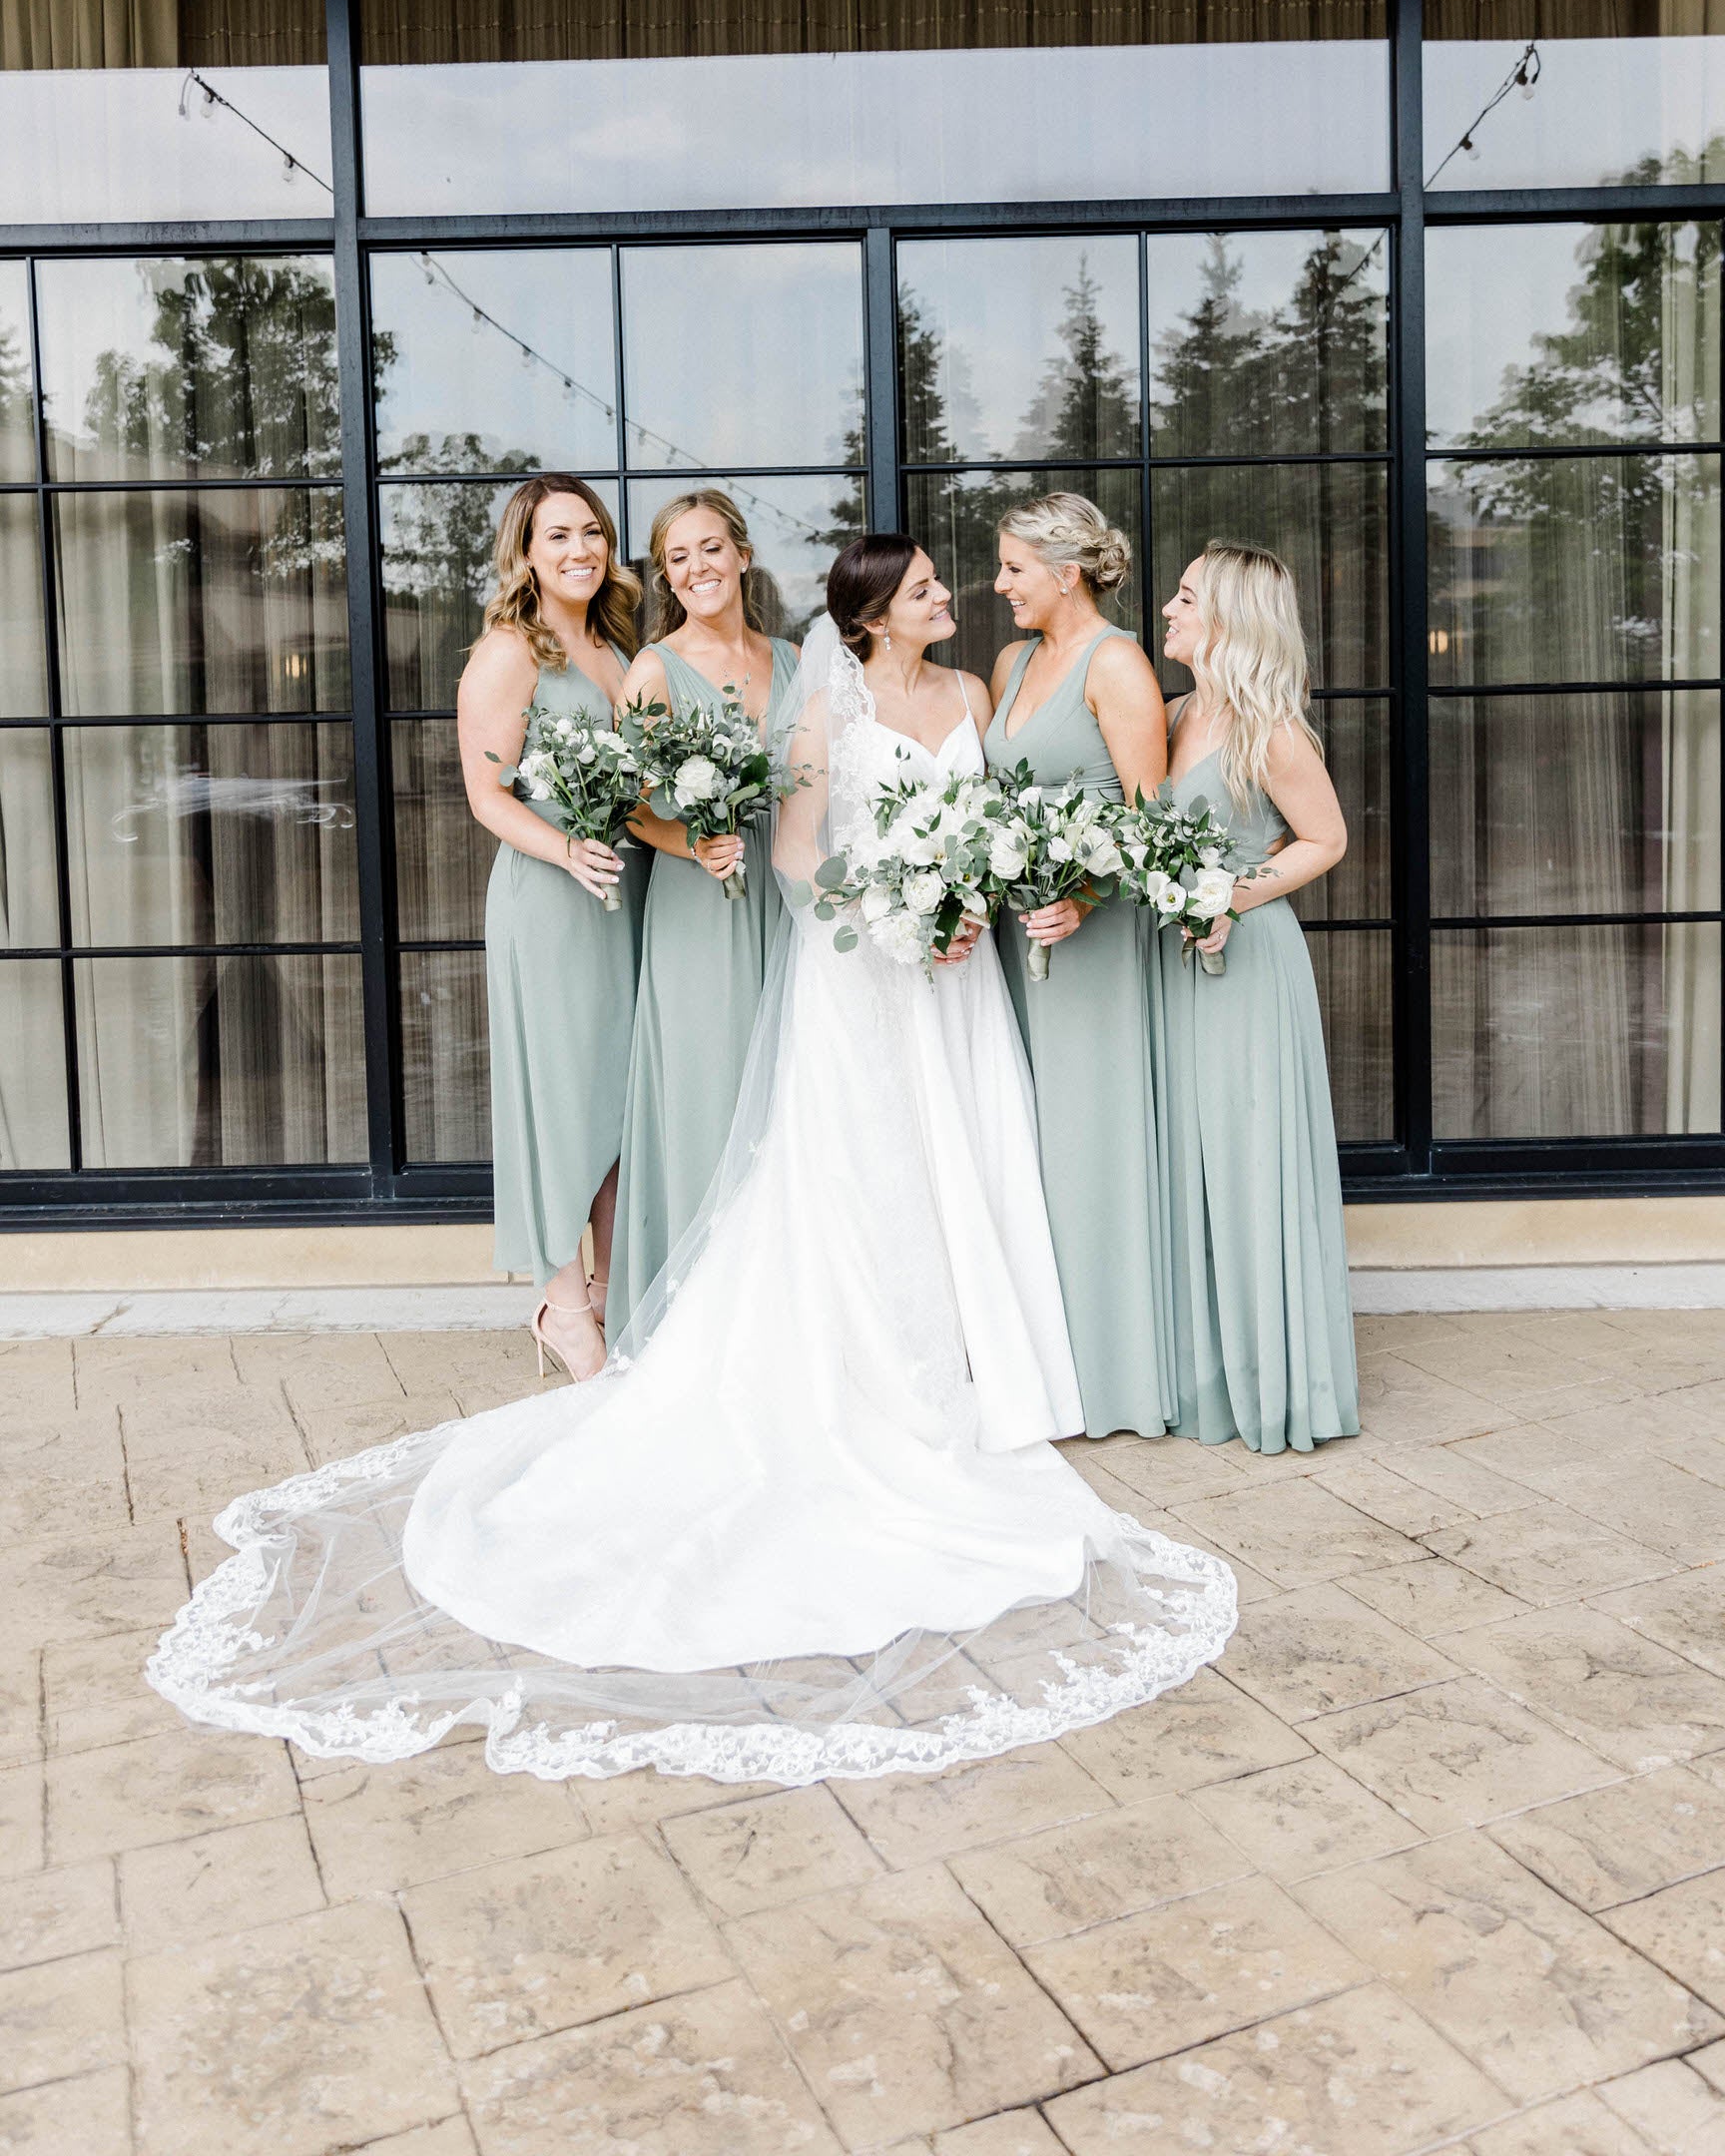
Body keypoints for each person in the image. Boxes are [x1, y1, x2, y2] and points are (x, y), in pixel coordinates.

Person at [147, 534, 1235, 1790]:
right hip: (870, 959)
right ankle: (857, 1365)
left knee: (960, 1149)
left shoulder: (976, 694)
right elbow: (795, 848)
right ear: (879, 614)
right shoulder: (824, 705)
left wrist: (965, 901)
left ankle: (996, 1363)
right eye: (931, 585)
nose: (951, 597)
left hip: (958, 970)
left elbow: (980, 814)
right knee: (858, 1166)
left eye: (953, 579)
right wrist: (898, 912)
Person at [1154, 541, 1359, 1454]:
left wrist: (1228, 896)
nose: (1167, 606)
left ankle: (1276, 1383)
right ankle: (1205, 1374)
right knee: (1191, 1165)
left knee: (1246, 1158)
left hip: (1247, 966)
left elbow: (1325, 839)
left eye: (1188, 597)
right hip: (1171, 964)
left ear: (1229, 620)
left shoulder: (1268, 728)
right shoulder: (1168, 714)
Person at [983, 493, 1176, 1438]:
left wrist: (1085, 896)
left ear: (1065, 573)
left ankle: (1110, 1373)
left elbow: (1149, 823)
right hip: (1015, 948)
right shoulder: (1012, 660)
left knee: (1088, 1146)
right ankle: (1035, 1367)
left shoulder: (1120, 665)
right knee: (1023, 1144)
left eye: (1013, 568)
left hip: (1090, 945)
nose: (998, 584)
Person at [456, 474, 645, 1383]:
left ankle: (615, 1288)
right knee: (561, 1093)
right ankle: (562, 1302)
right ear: (526, 554)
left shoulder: (613, 646)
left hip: (624, 895)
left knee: (618, 1097)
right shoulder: (510, 651)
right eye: (558, 535)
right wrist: (567, 852)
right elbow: (486, 795)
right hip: (552, 899)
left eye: (593, 533)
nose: (581, 550)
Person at [607, 491, 801, 1342]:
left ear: (744, 555)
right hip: (703, 910)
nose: (696, 570)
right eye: (677, 558)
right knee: (711, 1096)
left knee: (796, 1098)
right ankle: (701, 1324)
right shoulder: (653, 669)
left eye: (711, 549)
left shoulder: (796, 661)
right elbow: (629, 804)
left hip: (791, 906)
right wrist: (693, 845)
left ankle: (788, 1312)